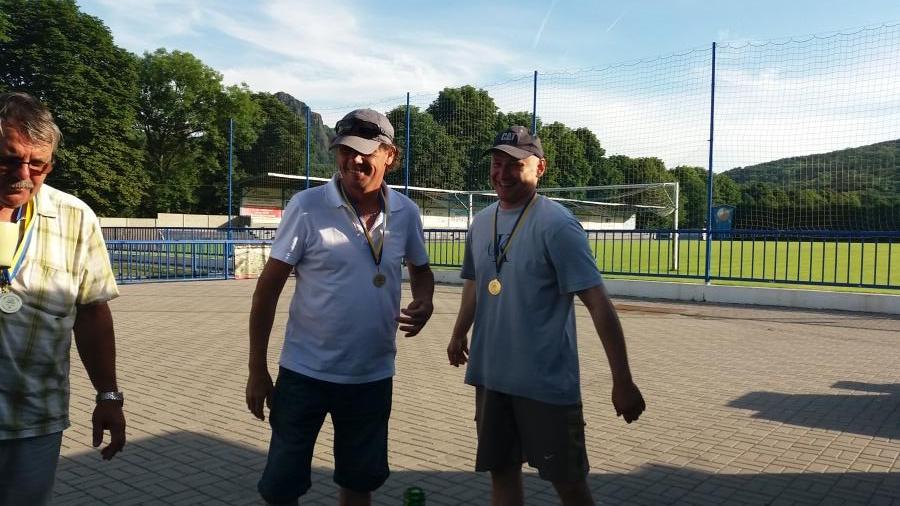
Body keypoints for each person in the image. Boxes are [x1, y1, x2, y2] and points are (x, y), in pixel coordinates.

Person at [447, 126, 646, 506]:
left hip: (545, 384)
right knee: (502, 475)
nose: (502, 173)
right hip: (491, 377)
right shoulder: (482, 222)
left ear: (540, 168)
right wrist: (458, 333)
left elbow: (598, 304)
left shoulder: (557, 224)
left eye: (515, 164)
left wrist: (622, 381)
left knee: (569, 484)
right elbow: (475, 282)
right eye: (497, 163)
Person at [246, 109, 435, 506]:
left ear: (390, 155)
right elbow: (267, 291)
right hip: (304, 374)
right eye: (346, 150)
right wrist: (257, 369)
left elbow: (421, 270)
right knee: (281, 487)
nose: (355, 160)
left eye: (366, 150)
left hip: (371, 375)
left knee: (359, 482)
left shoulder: (406, 212)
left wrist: (425, 299)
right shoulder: (307, 206)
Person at [0, 92, 125, 505]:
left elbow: (92, 314)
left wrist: (108, 396)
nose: (22, 174)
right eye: (9, 159)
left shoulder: (75, 217)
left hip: (34, 418)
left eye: (37, 164)